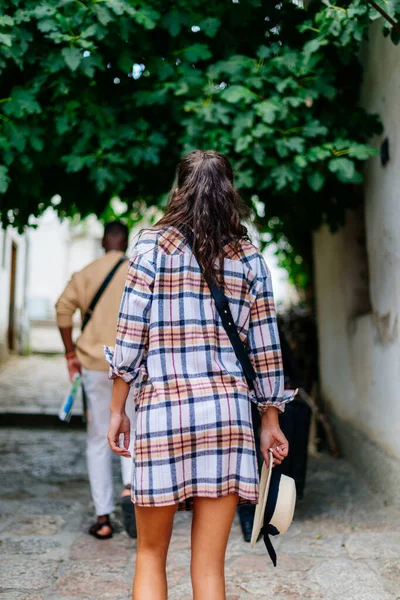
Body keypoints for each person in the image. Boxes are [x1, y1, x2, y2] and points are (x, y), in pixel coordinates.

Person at [106, 151, 294, 600]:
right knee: (209, 569)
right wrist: (270, 422)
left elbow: (130, 336)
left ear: (179, 189)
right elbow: (267, 351)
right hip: (226, 417)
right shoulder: (250, 259)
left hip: (164, 411)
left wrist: (117, 409)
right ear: (230, 192)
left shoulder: (150, 248)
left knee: (150, 555)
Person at [56, 221, 136, 540]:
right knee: (133, 430)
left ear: (103, 241)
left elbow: (63, 310)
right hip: (132, 366)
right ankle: (131, 493)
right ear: (127, 242)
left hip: (93, 364)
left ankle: (103, 517)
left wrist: (69, 354)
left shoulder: (85, 273)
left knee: (98, 437)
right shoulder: (139, 271)